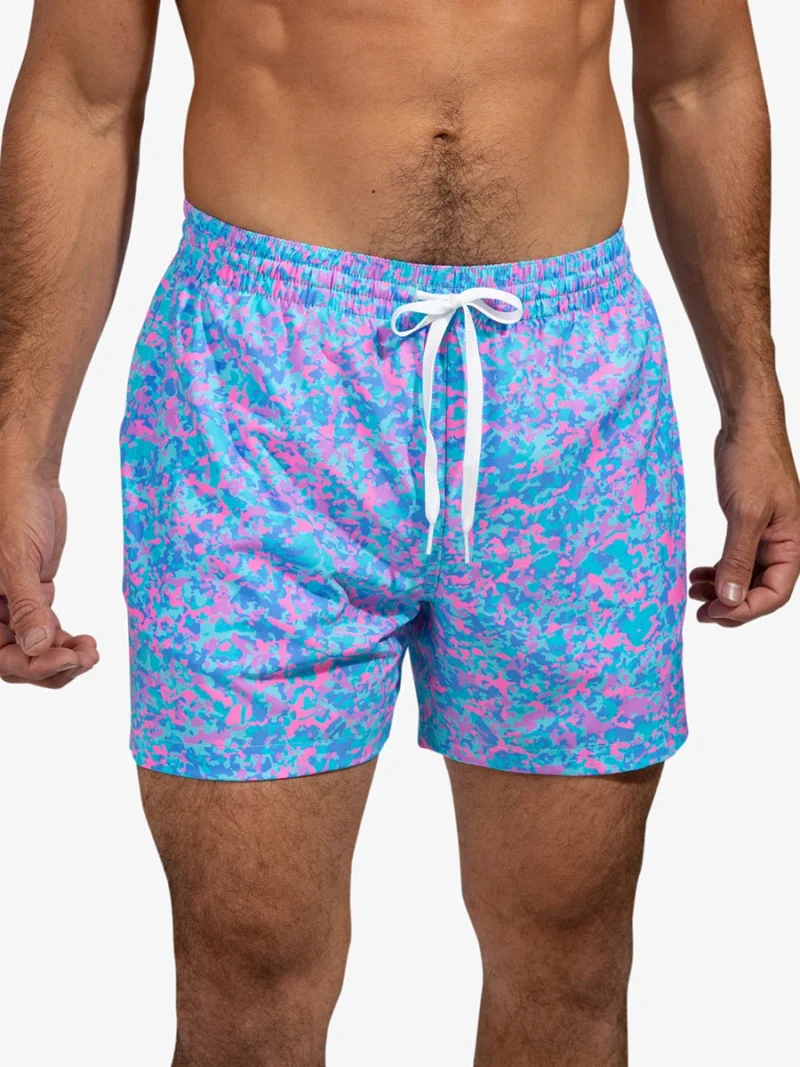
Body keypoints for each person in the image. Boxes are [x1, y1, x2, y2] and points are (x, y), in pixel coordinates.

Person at [1, 1, 798, 1064]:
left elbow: (698, 80)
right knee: (248, 964)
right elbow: (81, 98)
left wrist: (754, 402)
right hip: (258, 394)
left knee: (569, 953)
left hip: (568, 389)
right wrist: (18, 451)